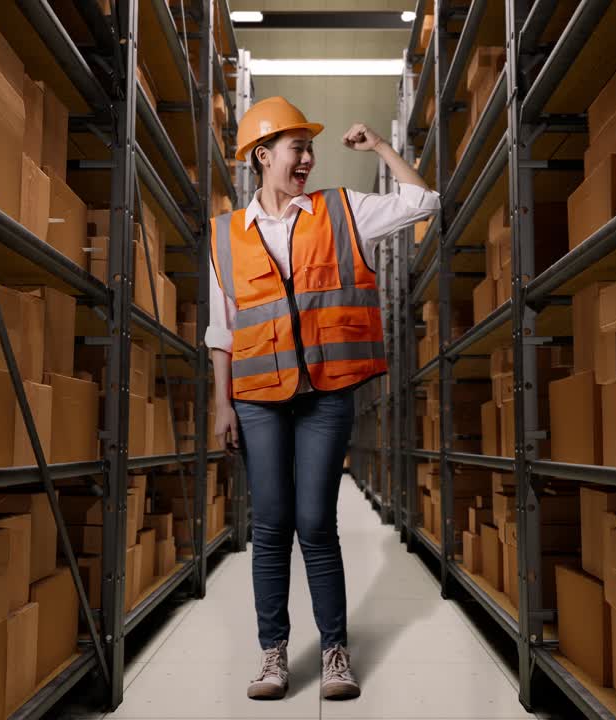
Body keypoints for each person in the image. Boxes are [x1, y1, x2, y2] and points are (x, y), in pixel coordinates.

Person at [206, 96, 438, 701]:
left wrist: (383, 150)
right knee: (271, 522)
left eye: (310, 148)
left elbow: (425, 203)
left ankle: (335, 652)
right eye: (296, 148)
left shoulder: (343, 211)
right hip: (258, 394)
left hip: (326, 392)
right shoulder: (226, 235)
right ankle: (273, 654)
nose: (307, 158)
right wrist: (221, 403)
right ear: (263, 156)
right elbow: (221, 327)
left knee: (315, 522)